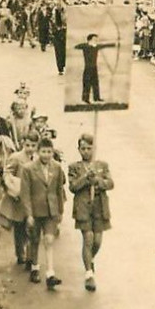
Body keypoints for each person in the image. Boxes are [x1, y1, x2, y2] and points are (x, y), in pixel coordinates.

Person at [68, 133, 114, 292]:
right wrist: (85, 178)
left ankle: (90, 259)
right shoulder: (74, 167)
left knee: (97, 241)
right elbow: (73, 187)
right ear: (79, 149)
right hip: (83, 207)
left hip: (99, 207)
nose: (86, 151)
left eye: (89, 148)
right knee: (88, 238)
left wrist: (98, 181)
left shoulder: (102, 165)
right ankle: (88, 274)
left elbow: (110, 183)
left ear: (94, 148)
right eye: (83, 149)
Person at [21, 137, 66, 289]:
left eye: (49, 152)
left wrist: (60, 210)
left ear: (52, 152)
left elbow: (59, 190)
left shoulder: (57, 167)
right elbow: (25, 193)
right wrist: (29, 214)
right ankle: (34, 267)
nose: (46, 155)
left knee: (49, 240)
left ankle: (50, 273)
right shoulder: (28, 169)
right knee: (34, 240)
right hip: (35, 210)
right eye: (43, 151)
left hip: (51, 211)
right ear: (38, 151)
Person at [0, 129, 40, 266]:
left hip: (32, 197)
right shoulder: (16, 157)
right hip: (18, 196)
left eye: (33, 146)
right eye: (27, 145)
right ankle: (20, 253)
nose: (30, 149)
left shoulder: (38, 158)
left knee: (32, 226)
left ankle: (29, 256)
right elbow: (7, 173)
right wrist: (11, 187)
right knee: (20, 227)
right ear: (23, 143)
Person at [75, 33, 117, 104]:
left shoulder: (96, 46)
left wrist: (114, 44)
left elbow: (105, 45)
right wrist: (88, 44)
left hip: (94, 67)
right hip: (88, 68)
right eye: (94, 39)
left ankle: (96, 97)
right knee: (87, 83)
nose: (96, 41)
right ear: (90, 40)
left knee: (95, 83)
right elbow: (77, 46)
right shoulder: (86, 46)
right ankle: (85, 99)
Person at [52, 2, 67, 75]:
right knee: (59, 53)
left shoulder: (66, 13)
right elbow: (54, 24)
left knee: (64, 53)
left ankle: (63, 65)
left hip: (64, 34)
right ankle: (60, 68)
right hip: (58, 36)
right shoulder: (55, 13)